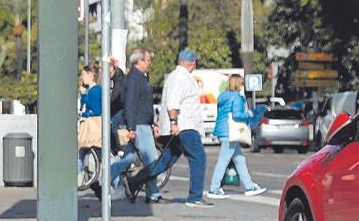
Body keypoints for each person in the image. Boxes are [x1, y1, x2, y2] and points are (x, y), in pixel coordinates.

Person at [126, 49, 211, 207]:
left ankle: (135, 181)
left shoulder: (173, 76)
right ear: (192, 63)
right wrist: (174, 122)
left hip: (177, 126)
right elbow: (173, 102)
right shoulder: (182, 78)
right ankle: (195, 197)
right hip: (184, 126)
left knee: (164, 161)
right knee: (198, 158)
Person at [110, 49, 164, 203]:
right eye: (147, 60)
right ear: (139, 61)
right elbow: (130, 104)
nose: (149, 63)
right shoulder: (135, 79)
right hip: (138, 125)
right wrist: (132, 128)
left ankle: (105, 177)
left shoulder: (137, 77)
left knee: (130, 157)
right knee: (151, 160)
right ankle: (152, 193)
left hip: (139, 123)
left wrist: (152, 122)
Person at [207, 74, 267, 198]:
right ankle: (214, 189)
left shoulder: (223, 96)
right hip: (230, 133)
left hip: (223, 131)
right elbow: (237, 115)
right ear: (237, 84)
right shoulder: (237, 98)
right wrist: (248, 114)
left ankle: (249, 186)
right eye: (241, 83)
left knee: (240, 159)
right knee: (223, 161)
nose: (242, 86)